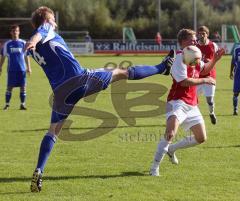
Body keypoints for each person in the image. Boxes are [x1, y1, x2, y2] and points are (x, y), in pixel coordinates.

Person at [25, 6, 175, 192]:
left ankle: (39, 170)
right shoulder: (45, 28)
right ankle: (162, 68)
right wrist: (31, 40)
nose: (55, 22)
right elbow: (39, 35)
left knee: (52, 133)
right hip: (80, 80)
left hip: (61, 93)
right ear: (46, 20)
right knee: (122, 72)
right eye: (53, 19)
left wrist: (30, 44)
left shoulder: (36, 48)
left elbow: (37, 42)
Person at [149, 28, 224, 177]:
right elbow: (184, 82)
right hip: (177, 102)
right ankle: (154, 168)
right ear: (183, 42)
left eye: (195, 39)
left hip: (192, 104)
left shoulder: (194, 54)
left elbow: (203, 70)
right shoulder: (179, 58)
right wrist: (205, 80)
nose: (195, 41)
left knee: (201, 138)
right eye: (192, 39)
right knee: (170, 133)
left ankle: (172, 149)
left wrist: (215, 60)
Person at [0, 25, 32, 110]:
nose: (15, 33)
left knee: (23, 87)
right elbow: (3, 56)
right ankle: (7, 105)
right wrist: (0, 67)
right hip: (12, 70)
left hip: (22, 69)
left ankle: (22, 104)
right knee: (9, 87)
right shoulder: (7, 44)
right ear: (11, 32)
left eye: (17, 31)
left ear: (19, 32)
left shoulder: (23, 43)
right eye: (13, 31)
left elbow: (26, 56)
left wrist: (29, 67)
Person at [196, 26, 219, 124]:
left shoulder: (213, 45)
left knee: (209, 100)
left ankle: (211, 113)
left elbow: (216, 58)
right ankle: (195, 118)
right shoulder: (195, 46)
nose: (201, 35)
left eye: (203, 33)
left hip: (210, 77)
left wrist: (211, 62)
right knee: (192, 99)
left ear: (207, 34)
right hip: (197, 77)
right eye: (199, 33)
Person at [230, 43, 240, 115]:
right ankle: (235, 109)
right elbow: (233, 61)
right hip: (238, 75)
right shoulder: (236, 50)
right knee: (236, 93)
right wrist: (231, 72)